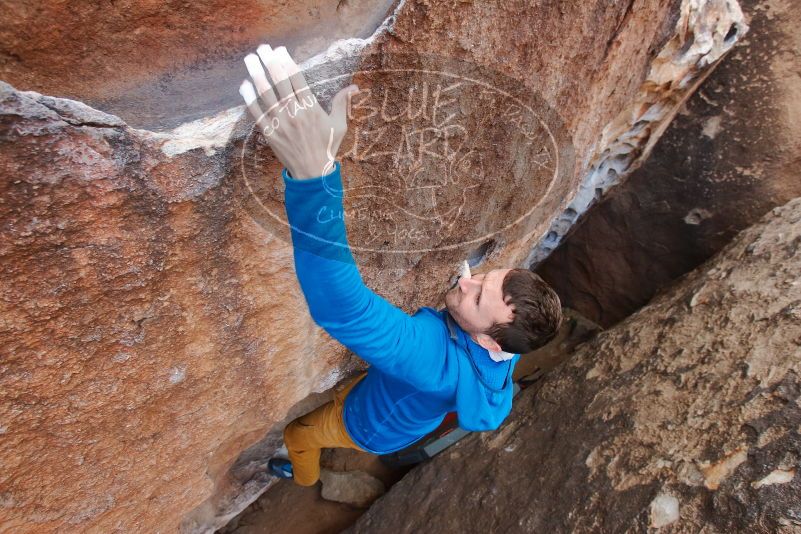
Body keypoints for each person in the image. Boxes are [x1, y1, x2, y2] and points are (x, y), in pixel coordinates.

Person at [238, 44, 563, 486]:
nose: (468, 281)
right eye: (486, 277)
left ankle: (303, 476)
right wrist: (476, 296)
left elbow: (343, 307)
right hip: (397, 408)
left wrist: (315, 177)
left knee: (301, 432)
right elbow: (477, 301)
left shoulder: (432, 359)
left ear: (490, 343)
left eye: (479, 296)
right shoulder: (508, 341)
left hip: (365, 425)